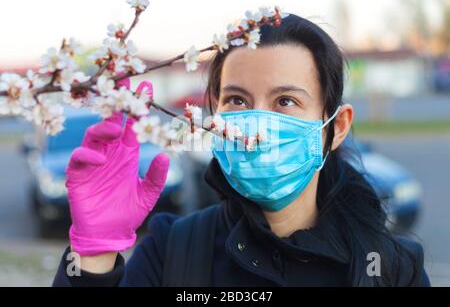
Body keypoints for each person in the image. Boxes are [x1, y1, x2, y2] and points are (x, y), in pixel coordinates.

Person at [53, 14, 430, 287]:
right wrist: (93, 260)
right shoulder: (173, 251)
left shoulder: (391, 269)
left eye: (285, 101)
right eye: (237, 100)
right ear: (213, 115)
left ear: (337, 127)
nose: (259, 124)